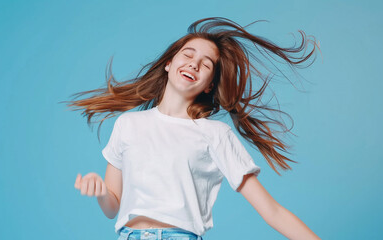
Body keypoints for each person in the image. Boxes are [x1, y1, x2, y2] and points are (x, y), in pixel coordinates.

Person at [66, 17, 320, 240]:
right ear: (169, 63)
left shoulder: (215, 135)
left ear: (209, 85)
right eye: (188, 54)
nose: (194, 64)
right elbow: (113, 208)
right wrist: (100, 191)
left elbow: (272, 211)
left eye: (206, 64)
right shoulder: (128, 125)